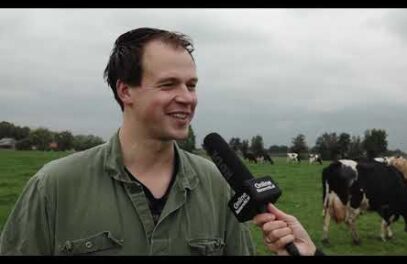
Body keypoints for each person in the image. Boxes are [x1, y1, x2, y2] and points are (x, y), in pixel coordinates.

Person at [0, 27, 319, 256]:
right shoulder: (54, 186)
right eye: (168, 84)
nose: (187, 98)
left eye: (191, 85)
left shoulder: (216, 184)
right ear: (126, 91)